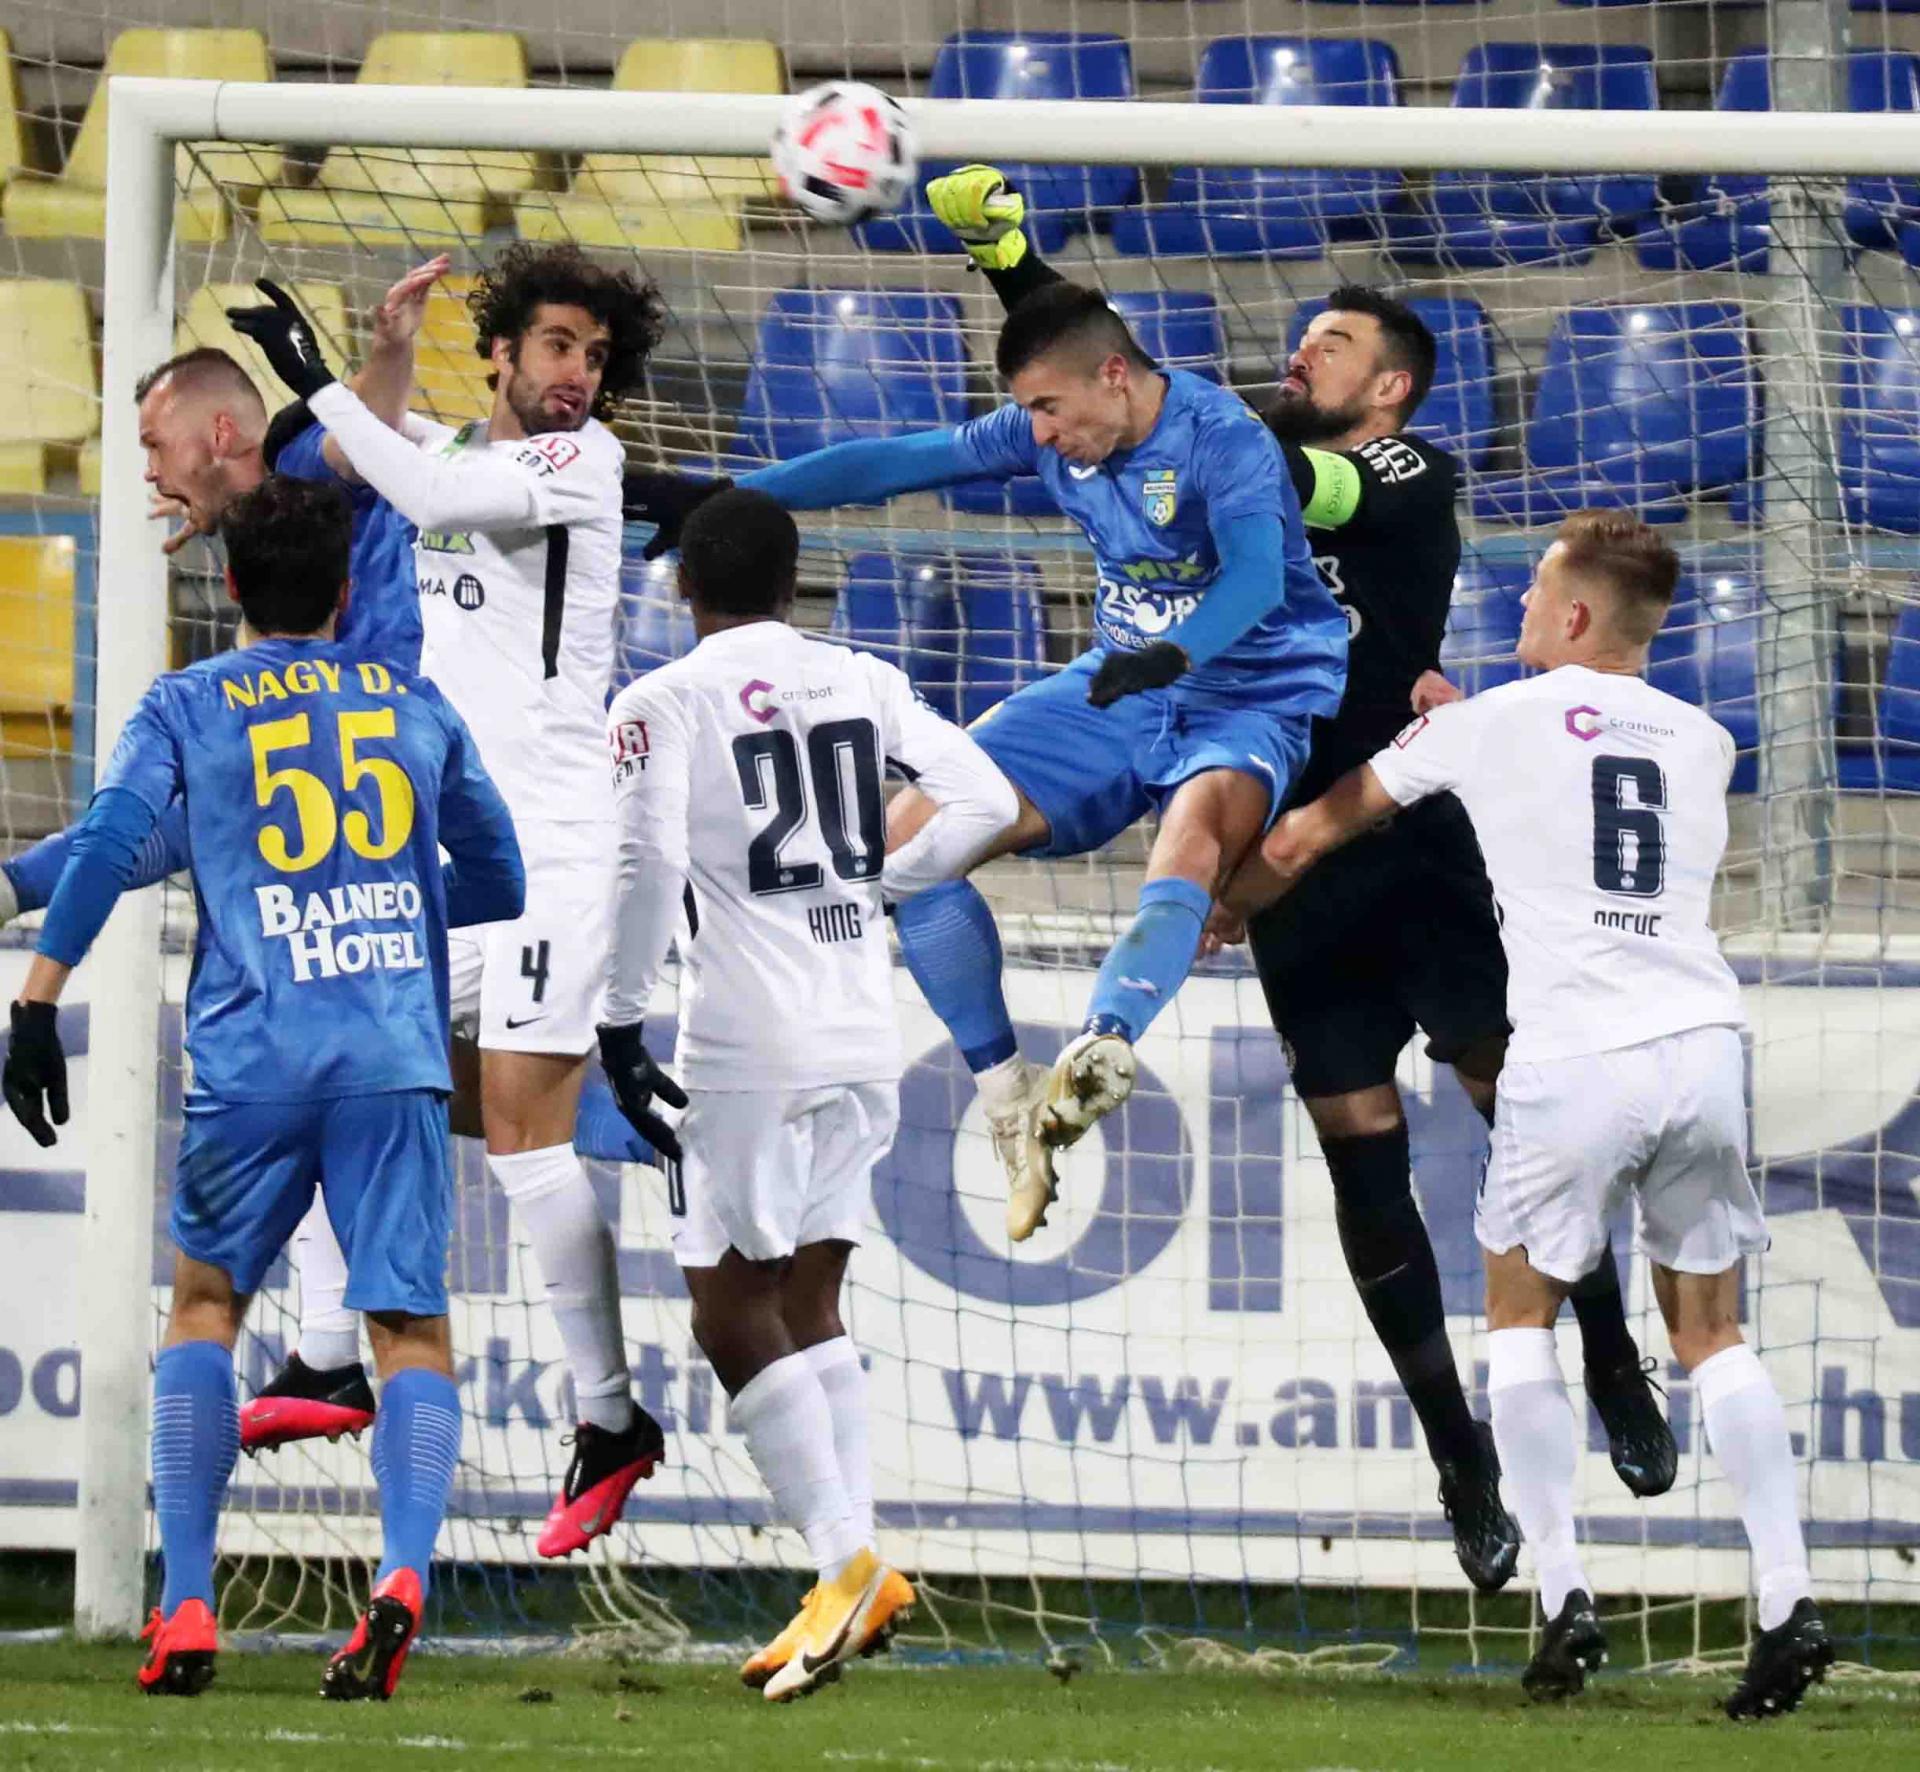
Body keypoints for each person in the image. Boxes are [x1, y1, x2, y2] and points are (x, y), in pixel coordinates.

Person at [925, 168, 1678, 1575]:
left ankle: (1612, 1350)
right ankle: (1460, 1464)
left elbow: (1258, 456)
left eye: (1330, 346)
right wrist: (1014, 264)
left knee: (1522, 1115)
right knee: (1360, 1159)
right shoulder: (1215, 451)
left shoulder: (1403, 471)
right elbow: (1109, 370)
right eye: (1300, 343)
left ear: (1389, 390)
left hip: (1412, 839)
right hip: (1286, 848)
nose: (1298, 357)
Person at [0, 303, 658, 1463]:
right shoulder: (290, 526)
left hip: (469, 805)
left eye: (156, 449)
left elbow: (369, 429)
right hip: (430, 824)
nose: (146, 474)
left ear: (217, 429)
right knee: (332, 1048)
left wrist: (355, 360)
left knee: (466, 1104)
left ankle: (572, 1397)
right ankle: (336, 1349)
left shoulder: (320, 468)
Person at [1211, 511, 1832, 1718]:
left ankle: (1563, 1597)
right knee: (1715, 1335)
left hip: (1575, 1056)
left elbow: (1315, 825)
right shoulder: (1705, 740)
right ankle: (1788, 1599)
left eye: (1542, 596)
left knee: (1514, 1317)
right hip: (1703, 1048)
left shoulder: (1484, 722)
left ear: (1580, 615)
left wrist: (1226, 900)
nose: (1526, 613)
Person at [1, 477, 525, 1700]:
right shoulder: (410, 695)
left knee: (204, 1307)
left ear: (226, 584)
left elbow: (112, 833)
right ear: (346, 593)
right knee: (408, 1329)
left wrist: (37, 997)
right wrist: (389, 887)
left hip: (252, 1060)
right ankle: (400, 1577)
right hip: (394, 1051)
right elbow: (497, 873)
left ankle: (185, 1602)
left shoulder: (186, 703)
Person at [730, 281, 1348, 1246]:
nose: (1041, 433)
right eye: (1030, 412)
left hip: (1252, 691)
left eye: (1051, 409)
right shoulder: (1048, 426)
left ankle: (1104, 1041)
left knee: (1190, 839)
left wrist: (1174, 656)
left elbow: (1260, 579)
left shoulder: (1223, 438)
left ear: (1114, 375)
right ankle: (1008, 1096)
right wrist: (734, 497)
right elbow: (899, 462)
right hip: (1119, 686)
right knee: (910, 835)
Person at [230, 244, 677, 1556]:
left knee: (526, 1135)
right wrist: (372, 354)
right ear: (500, 355)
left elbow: (412, 483)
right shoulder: (446, 438)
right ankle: (326, 1359)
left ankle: (609, 1419)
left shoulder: (575, 467)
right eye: (554, 348)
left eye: (594, 356)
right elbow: (327, 460)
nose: (577, 376)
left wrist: (318, 378)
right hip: (459, 849)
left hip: (553, 847)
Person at [598, 489, 1017, 1700]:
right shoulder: (864, 677)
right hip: (859, 1027)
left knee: (729, 1309)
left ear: (683, 586)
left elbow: (649, 858)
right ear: (796, 582)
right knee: (813, 1295)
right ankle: (851, 1574)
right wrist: (885, 878)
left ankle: (843, 1560)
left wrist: (622, 1018)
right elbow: (984, 801)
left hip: (742, 1041)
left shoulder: (662, 699)